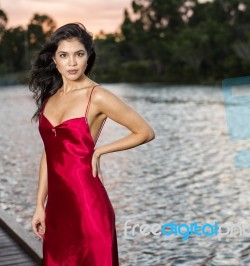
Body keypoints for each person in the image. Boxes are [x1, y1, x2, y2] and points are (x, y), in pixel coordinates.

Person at [29, 22, 155, 266]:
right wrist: (39, 205)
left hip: (89, 208)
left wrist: (100, 152)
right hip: (57, 211)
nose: (72, 63)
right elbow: (49, 153)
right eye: (64, 55)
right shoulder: (51, 97)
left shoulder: (97, 96)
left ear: (88, 57)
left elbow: (145, 131)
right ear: (55, 60)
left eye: (79, 54)